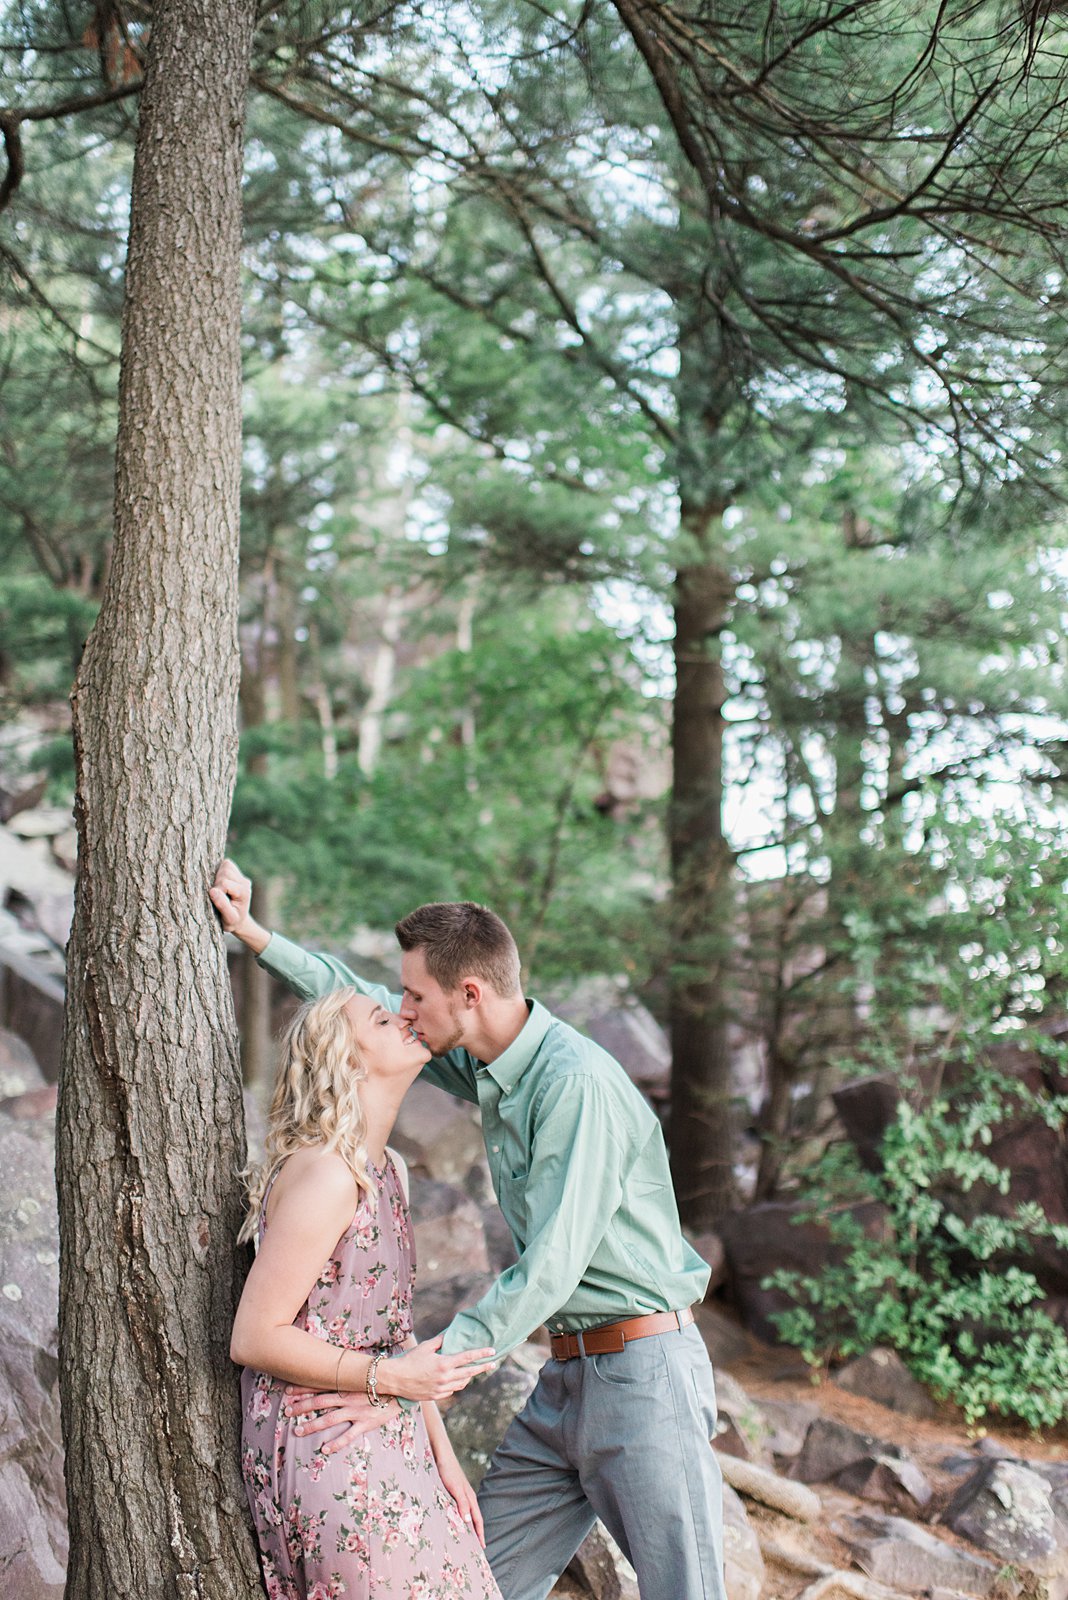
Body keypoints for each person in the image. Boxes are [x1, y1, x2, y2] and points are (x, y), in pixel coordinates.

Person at [213, 860, 726, 1600]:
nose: (404, 1009)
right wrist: (257, 935)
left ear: (471, 995)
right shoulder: (482, 1062)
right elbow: (354, 1009)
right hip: (565, 1376)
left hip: (643, 1373)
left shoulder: (572, 1084)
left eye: (416, 997)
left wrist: (419, 1373)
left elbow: (551, 1265)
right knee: (473, 1578)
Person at [231, 984, 501, 1600]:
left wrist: (445, 1459)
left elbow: (395, 1335)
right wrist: (392, 1381)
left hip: (389, 1417)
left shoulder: (389, 1170)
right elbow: (253, 1336)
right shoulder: (326, 1174)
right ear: (347, 1059)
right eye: (383, 1018)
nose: (406, 1017)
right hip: (321, 1432)